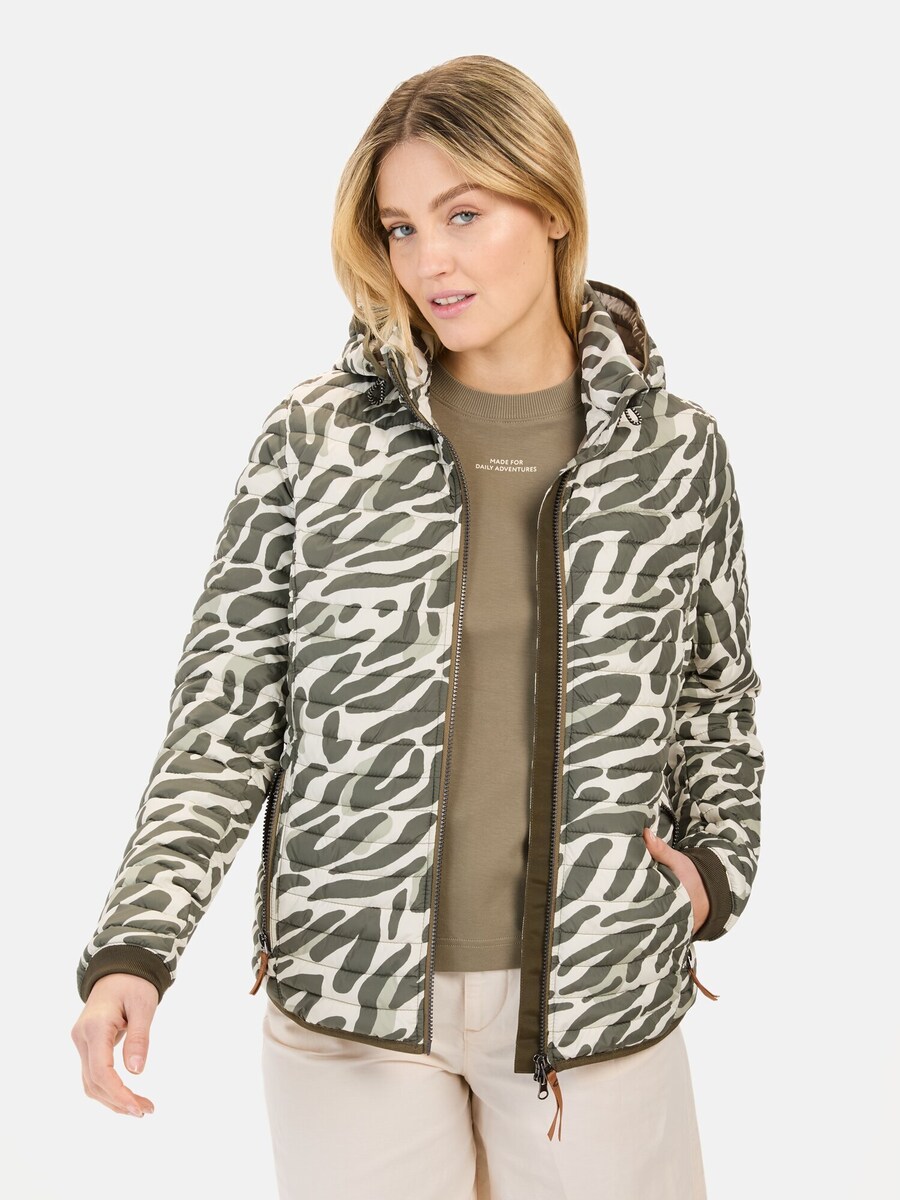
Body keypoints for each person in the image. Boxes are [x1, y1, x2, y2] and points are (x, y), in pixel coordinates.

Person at [71, 54, 764, 1200]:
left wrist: (716, 872)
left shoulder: (673, 452)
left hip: (595, 1002)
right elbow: (223, 718)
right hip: (352, 1006)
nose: (428, 259)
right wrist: (135, 949)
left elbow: (715, 696)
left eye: (463, 214)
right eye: (400, 228)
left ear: (552, 205)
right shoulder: (316, 439)